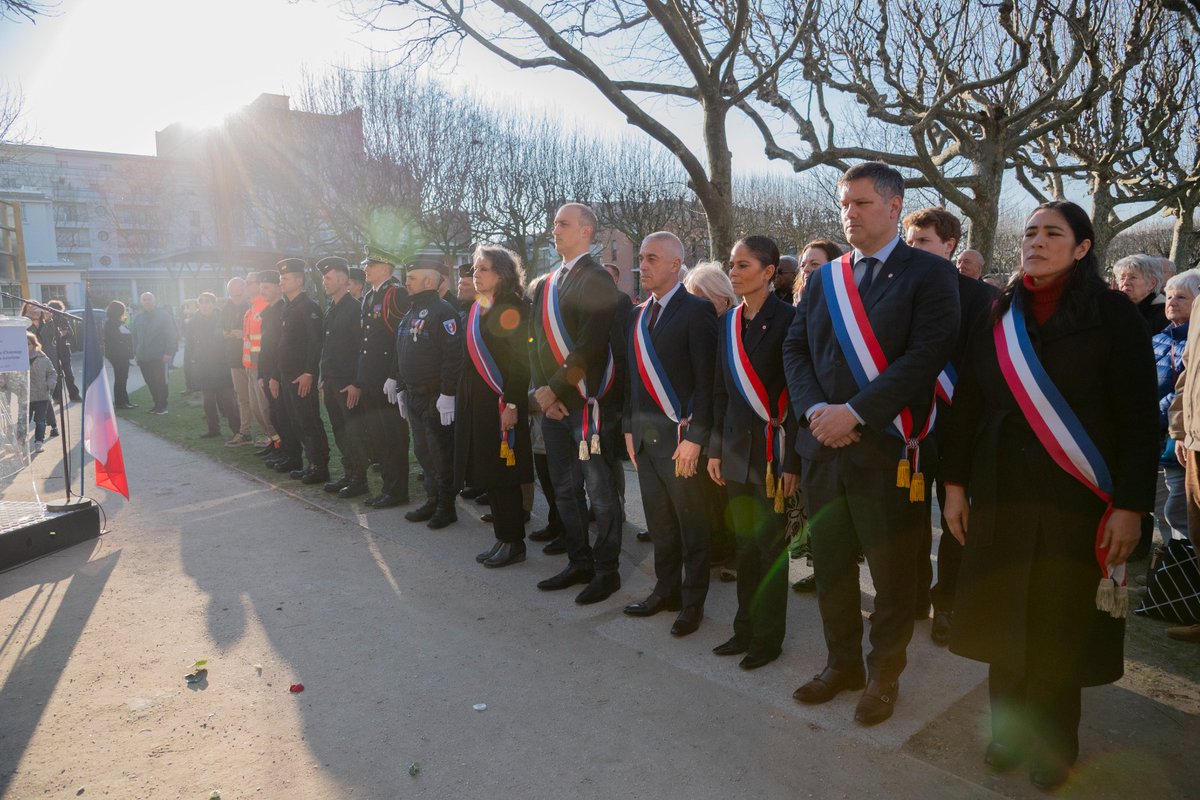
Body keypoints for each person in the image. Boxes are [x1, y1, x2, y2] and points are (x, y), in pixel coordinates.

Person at [941, 200, 1158, 791]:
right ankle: (1008, 731)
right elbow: (968, 407)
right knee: (1003, 618)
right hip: (1000, 493)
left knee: (1059, 626)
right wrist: (954, 486)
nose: (1035, 241)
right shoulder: (997, 314)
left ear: (1082, 248)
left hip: (1078, 498)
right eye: (1030, 232)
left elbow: (1140, 418)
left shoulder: (1113, 315)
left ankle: (1055, 743)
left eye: (1052, 233)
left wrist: (1132, 507)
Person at [783, 161, 959, 726]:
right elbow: (795, 349)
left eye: (860, 203)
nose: (849, 213)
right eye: (844, 204)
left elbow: (925, 356)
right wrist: (816, 411)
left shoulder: (929, 274)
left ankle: (885, 674)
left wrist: (856, 412)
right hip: (821, 448)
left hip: (885, 452)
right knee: (831, 567)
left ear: (893, 207)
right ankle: (842, 665)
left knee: (891, 577)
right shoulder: (828, 276)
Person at [902, 206, 999, 645]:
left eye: (923, 241)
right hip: (912, 425)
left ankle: (950, 602)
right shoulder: (898, 290)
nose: (913, 249)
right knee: (911, 517)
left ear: (949, 245)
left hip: (962, 425)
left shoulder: (980, 299)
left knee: (957, 520)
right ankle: (915, 594)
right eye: (910, 241)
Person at [708, 235, 800, 668]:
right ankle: (742, 629)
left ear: (768, 272)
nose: (734, 272)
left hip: (772, 454)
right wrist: (714, 451)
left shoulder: (790, 320)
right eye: (732, 264)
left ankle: (767, 638)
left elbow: (799, 399)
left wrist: (793, 462)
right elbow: (719, 393)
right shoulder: (726, 322)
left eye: (743, 265)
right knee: (744, 547)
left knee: (768, 550)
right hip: (735, 454)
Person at [622, 231, 718, 637]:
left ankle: (693, 603)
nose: (642, 265)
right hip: (645, 440)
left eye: (652, 258)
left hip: (681, 442)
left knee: (691, 525)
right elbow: (632, 382)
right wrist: (628, 427)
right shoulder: (638, 314)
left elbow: (708, 381)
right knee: (660, 523)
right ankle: (666, 591)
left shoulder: (697, 311)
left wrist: (697, 437)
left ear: (676, 264)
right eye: (642, 258)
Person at [531, 202, 623, 605]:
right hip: (552, 407)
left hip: (585, 405)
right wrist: (540, 393)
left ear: (586, 231)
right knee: (564, 491)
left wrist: (554, 390)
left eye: (563, 224)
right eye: (554, 224)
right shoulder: (548, 282)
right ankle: (578, 561)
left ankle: (607, 571)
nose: (555, 230)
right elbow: (532, 341)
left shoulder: (597, 277)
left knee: (600, 494)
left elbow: (590, 343)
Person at [456, 245, 533, 566]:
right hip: (480, 404)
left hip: (503, 403)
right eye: (475, 269)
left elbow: (519, 364)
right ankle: (502, 537)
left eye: (482, 269)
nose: (476, 274)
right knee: (491, 474)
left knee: (505, 474)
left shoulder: (512, 306)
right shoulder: (479, 307)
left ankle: (514, 542)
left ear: (501, 274)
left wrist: (512, 404)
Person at [397, 256, 463, 528]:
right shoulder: (411, 311)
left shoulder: (443, 311)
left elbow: (452, 356)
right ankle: (432, 499)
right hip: (414, 394)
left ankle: (447, 506)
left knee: (440, 454)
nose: (406, 283)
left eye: (411, 278)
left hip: (435, 397)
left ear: (428, 280)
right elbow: (402, 349)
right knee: (423, 452)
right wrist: (401, 385)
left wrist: (447, 394)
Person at [683, 262, 739, 571]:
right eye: (692, 295)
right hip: (699, 419)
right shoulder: (696, 324)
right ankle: (716, 544)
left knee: (723, 492)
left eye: (703, 296)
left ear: (724, 298)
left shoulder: (729, 326)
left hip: (726, 422)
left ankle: (730, 548)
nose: (697, 301)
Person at [360, 251, 412, 508]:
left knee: (393, 436)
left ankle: (398, 490)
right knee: (378, 436)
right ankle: (388, 487)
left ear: (386, 268)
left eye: (372, 265)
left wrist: (394, 375)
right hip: (371, 377)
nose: (366, 269)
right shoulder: (370, 295)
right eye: (366, 264)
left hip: (387, 379)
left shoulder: (395, 294)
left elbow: (399, 339)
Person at [1155, 271, 1200, 551]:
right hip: (1192, 441)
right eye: (1169, 296)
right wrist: (1182, 430)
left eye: (1180, 296)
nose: (1172, 302)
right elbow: (1189, 376)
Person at [274, 259, 329, 484]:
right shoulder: (290, 306)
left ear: (298, 280)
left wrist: (309, 372)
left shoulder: (308, 306)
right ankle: (310, 463)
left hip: (301, 375)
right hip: (288, 374)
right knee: (297, 420)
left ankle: (320, 466)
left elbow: (316, 343)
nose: (281, 282)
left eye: (285, 279)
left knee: (309, 420)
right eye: (281, 279)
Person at [317, 257, 368, 498]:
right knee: (339, 430)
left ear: (342, 280)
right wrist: (323, 378)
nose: (323, 282)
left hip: (347, 383)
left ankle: (359, 479)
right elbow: (328, 347)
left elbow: (362, 349)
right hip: (332, 381)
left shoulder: (354, 308)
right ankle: (349, 474)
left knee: (352, 432)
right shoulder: (333, 308)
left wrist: (357, 383)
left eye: (327, 278)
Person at [257, 270, 302, 473]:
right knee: (275, 415)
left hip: (278, 372)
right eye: (261, 288)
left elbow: (281, 349)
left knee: (284, 416)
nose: (262, 291)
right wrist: (260, 374)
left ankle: (290, 454)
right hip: (268, 373)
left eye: (266, 287)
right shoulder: (268, 312)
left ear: (277, 287)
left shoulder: (282, 310)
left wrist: (274, 375)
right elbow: (264, 348)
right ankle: (282, 450)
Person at [188, 292, 241, 439]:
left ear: (214, 304)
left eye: (208, 302)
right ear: (198, 304)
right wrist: (191, 368)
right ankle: (213, 429)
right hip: (204, 367)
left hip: (222, 366)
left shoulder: (223, 318)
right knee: (208, 403)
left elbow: (229, 339)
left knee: (229, 402)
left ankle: (238, 431)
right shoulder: (193, 322)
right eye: (202, 302)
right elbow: (190, 346)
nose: (205, 305)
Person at [241, 272, 278, 454]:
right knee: (257, 409)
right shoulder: (251, 310)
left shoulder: (264, 308)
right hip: (250, 367)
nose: (246, 285)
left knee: (265, 409)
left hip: (261, 367)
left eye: (250, 282)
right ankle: (271, 441)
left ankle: (278, 443)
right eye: (246, 282)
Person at [133, 292, 178, 416]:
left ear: (155, 301)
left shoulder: (164, 316)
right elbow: (135, 337)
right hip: (143, 357)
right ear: (141, 302)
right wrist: (135, 353)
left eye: (149, 299)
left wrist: (169, 352)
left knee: (161, 381)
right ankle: (156, 404)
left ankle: (162, 406)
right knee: (150, 381)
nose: (147, 301)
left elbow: (172, 335)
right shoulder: (138, 318)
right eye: (144, 299)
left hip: (159, 356)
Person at [222, 277, 254, 446]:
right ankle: (245, 432)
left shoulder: (252, 306)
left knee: (258, 400)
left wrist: (241, 333)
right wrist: (226, 334)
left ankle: (267, 433)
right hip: (235, 358)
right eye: (232, 292)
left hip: (253, 360)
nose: (235, 296)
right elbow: (221, 330)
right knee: (242, 398)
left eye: (238, 292)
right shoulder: (225, 308)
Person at [1113, 254, 1168, 334]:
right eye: (1122, 278)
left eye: (1133, 277)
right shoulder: (1115, 310)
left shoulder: (1164, 315)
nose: (1125, 283)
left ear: (1151, 284)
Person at [26, 332, 57, 454]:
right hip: (25, 396)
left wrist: (50, 384)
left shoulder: (43, 358)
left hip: (41, 396)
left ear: (34, 344)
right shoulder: (17, 359)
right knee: (24, 422)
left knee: (40, 420)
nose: (25, 346)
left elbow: (52, 373)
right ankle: (20, 444)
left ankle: (38, 442)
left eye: (28, 344)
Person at [44, 300, 81, 403]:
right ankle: (57, 397)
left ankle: (74, 395)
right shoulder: (46, 320)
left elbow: (71, 333)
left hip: (64, 350)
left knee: (69, 374)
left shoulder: (63, 319)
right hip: (52, 351)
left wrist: (65, 333)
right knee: (56, 375)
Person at [104, 300, 135, 409]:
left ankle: (125, 401)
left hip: (120, 354)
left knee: (122, 378)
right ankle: (120, 402)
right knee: (121, 378)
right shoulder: (112, 323)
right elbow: (117, 337)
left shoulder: (114, 322)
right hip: (118, 354)